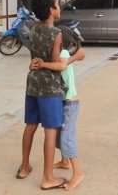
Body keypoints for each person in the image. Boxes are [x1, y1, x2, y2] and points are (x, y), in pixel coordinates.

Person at [16, 0, 66, 190]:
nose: (59, 7)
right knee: (50, 131)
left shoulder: (33, 28)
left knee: (30, 125)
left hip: (32, 83)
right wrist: (56, 64)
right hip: (49, 88)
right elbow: (56, 64)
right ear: (51, 10)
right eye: (57, 4)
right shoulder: (56, 33)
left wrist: (38, 63)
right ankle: (48, 177)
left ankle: (24, 166)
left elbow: (34, 58)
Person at [35, 25, 87, 191]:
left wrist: (43, 64)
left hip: (70, 104)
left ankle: (78, 173)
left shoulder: (63, 54)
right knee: (57, 137)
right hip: (64, 102)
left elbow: (62, 66)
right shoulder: (61, 55)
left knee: (66, 139)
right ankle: (65, 162)